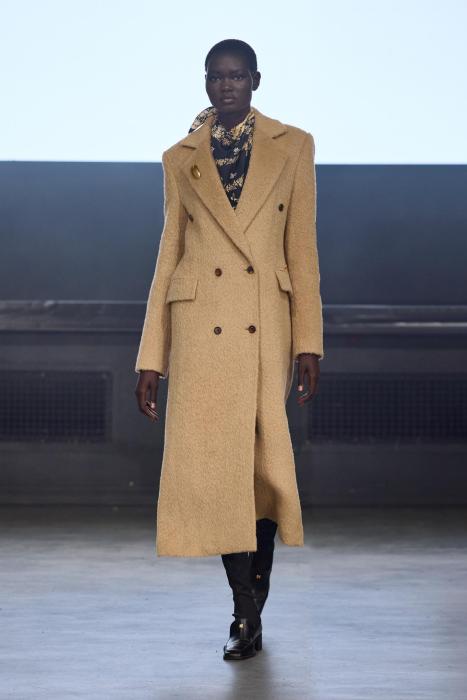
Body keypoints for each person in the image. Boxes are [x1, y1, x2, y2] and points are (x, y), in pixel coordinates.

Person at [135, 39, 324, 661]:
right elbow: (169, 254)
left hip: (263, 326)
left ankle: (252, 604)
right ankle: (245, 611)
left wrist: (309, 342)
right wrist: (151, 356)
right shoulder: (181, 156)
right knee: (220, 472)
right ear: (205, 83)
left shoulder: (293, 146)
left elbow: (302, 250)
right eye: (217, 77)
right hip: (201, 332)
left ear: (256, 80)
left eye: (238, 76)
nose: (227, 86)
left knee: (260, 474)